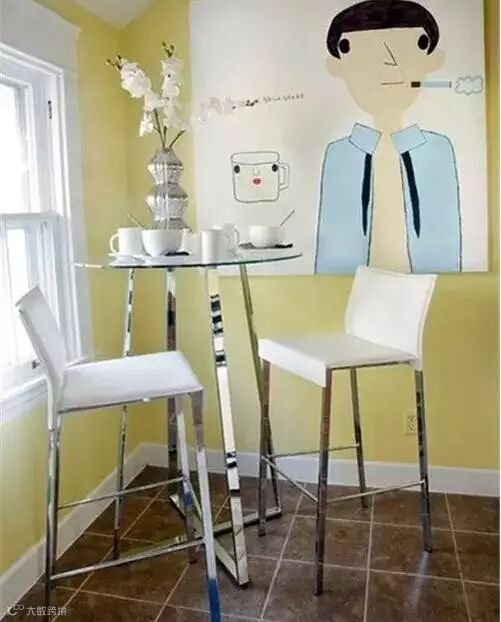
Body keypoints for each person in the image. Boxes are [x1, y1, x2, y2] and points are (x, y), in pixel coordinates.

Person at [314, 0, 461, 274]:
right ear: (337, 66)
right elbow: (330, 256)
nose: (387, 66)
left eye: (415, 45)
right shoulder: (339, 155)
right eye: (355, 51)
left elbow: (446, 246)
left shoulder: (438, 150)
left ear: (433, 60)